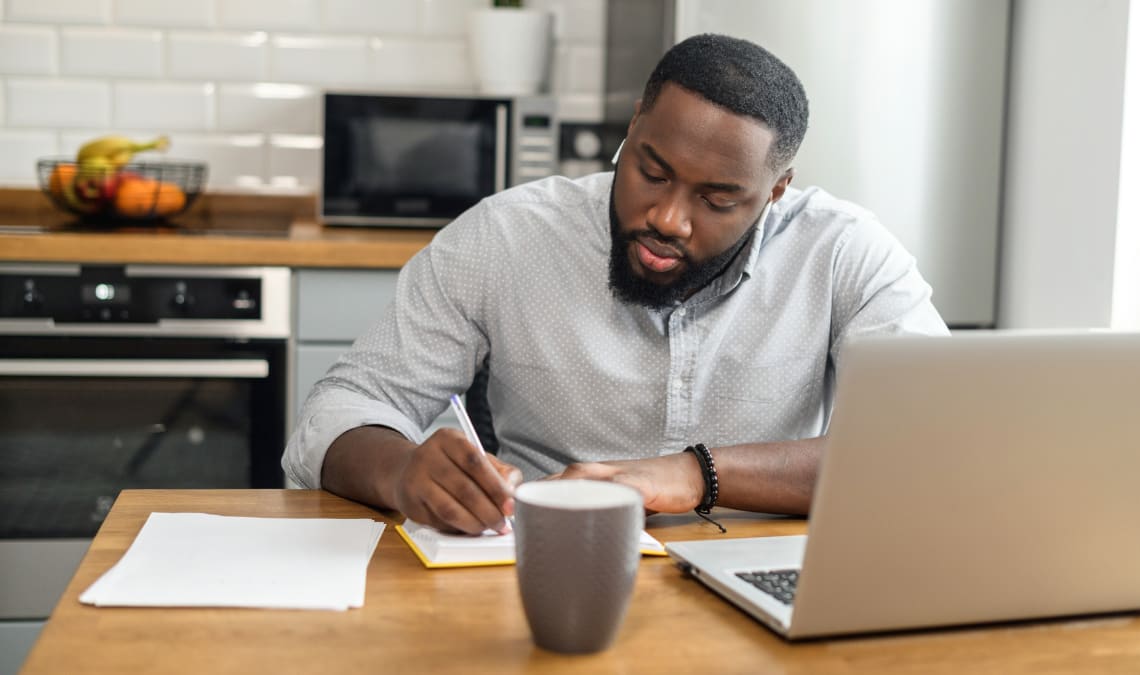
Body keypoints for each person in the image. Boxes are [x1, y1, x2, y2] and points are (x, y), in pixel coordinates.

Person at [283, 33, 948, 535]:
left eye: (717, 200)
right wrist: (401, 470)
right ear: (633, 127)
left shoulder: (842, 251)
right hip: (545, 570)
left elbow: (935, 444)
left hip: (763, 586)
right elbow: (335, 413)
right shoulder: (505, 236)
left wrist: (694, 474)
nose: (667, 217)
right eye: (652, 170)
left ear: (775, 192)